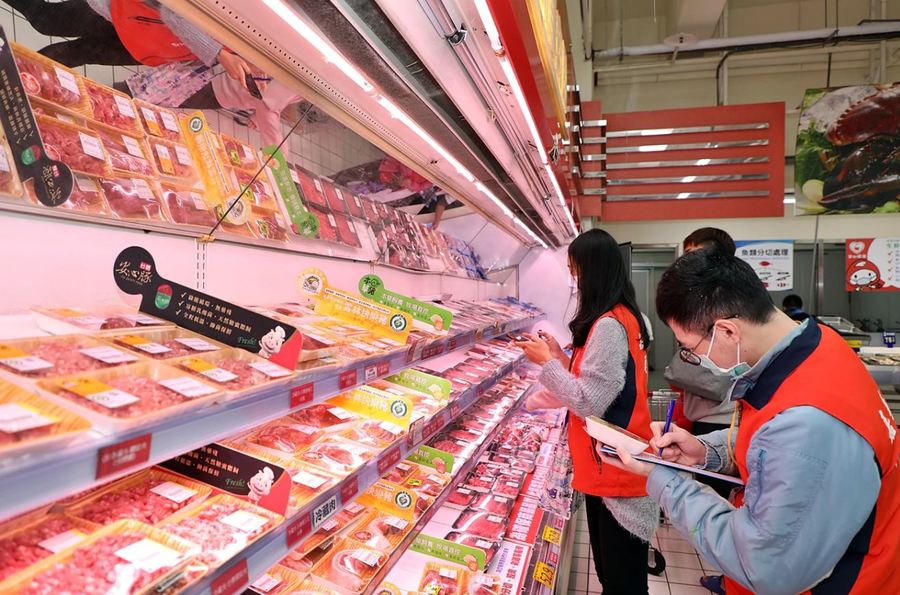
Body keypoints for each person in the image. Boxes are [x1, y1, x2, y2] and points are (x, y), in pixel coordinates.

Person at [601, 249, 900, 595]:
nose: (694, 360)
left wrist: (662, 480)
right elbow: (774, 445)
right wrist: (705, 450)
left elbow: (763, 566)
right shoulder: (819, 346)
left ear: (728, 331)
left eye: (690, 349)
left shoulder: (808, 424)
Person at [514, 229, 658, 595]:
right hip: (612, 463)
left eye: (574, 270)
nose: (572, 280)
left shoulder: (609, 325)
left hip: (615, 470)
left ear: (592, 270)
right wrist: (559, 357)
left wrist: (547, 365)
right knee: (616, 578)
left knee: (622, 584)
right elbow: (601, 382)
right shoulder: (621, 316)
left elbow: (589, 401)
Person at [3, 0, 253, 84]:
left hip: (147, 47)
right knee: (46, 19)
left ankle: (12, 80)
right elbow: (174, 10)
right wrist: (218, 53)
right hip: (124, 12)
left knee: (75, 54)